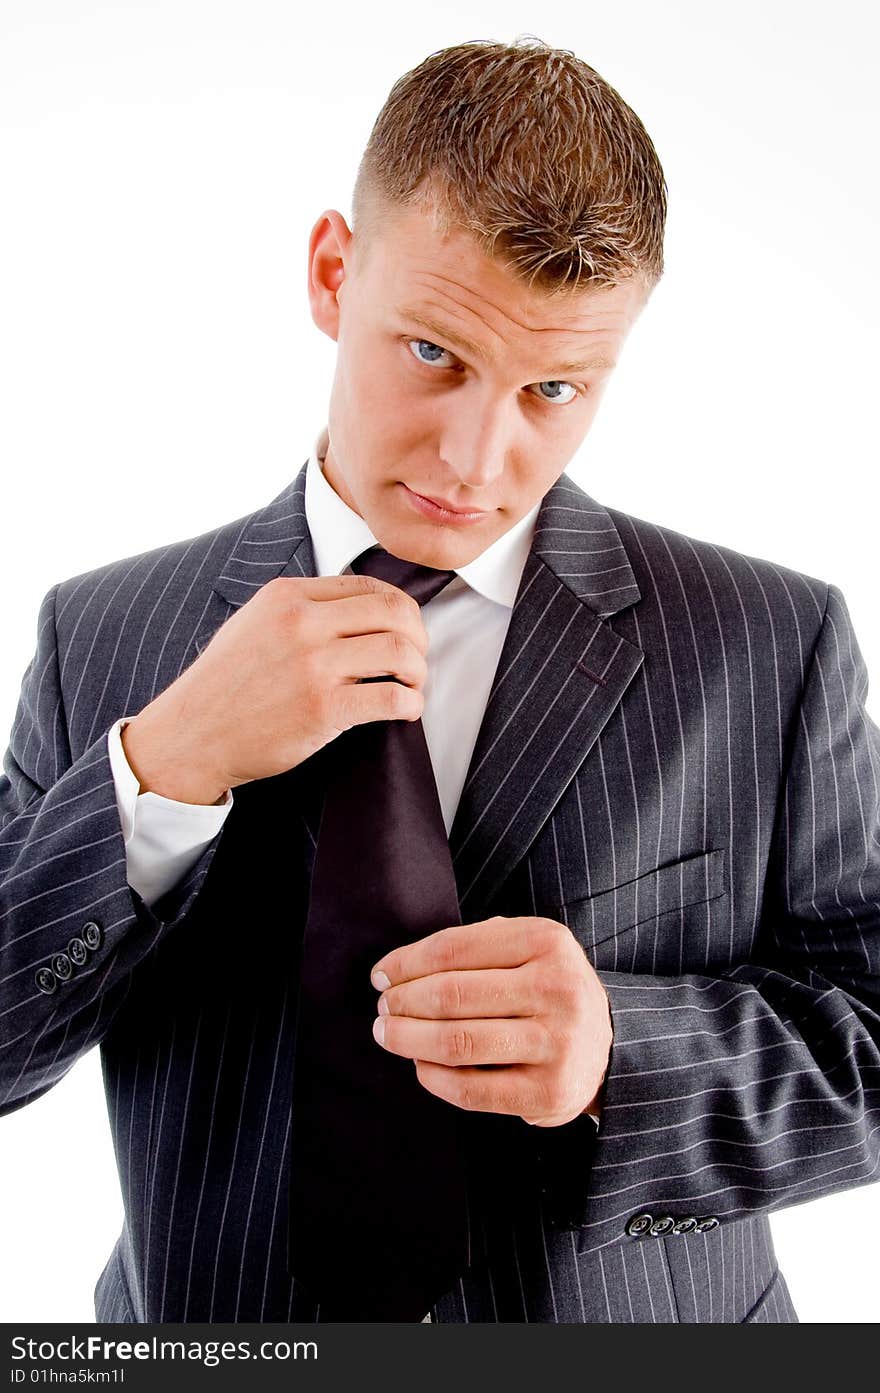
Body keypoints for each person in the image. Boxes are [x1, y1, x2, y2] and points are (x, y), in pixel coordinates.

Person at [1, 35, 878, 1325]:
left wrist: (623, 1058)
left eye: (554, 389)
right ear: (332, 273)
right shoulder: (105, 634)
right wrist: (163, 772)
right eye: (434, 355)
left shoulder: (769, 642)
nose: (477, 457)